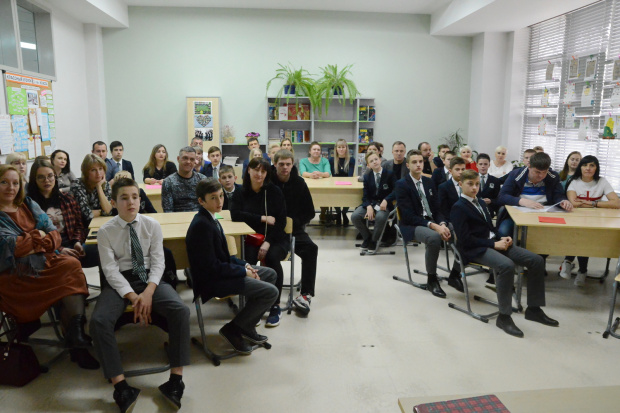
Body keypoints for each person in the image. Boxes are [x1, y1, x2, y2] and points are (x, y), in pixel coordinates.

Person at [91, 178, 190, 411]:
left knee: (180, 310)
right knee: (98, 320)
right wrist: (132, 296)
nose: (131, 202)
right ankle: (121, 387)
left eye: (135, 197)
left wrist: (148, 292)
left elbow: (158, 262)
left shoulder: (151, 225)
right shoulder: (105, 231)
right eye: (124, 198)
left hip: (149, 278)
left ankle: (175, 381)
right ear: (113, 202)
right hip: (120, 281)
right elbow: (110, 270)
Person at [0, 165, 97, 369]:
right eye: (4, 182)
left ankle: (76, 337)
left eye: (15, 183)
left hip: (44, 263)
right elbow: (11, 248)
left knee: (70, 267)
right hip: (16, 277)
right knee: (66, 278)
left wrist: (34, 241)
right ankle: (76, 344)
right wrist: (40, 236)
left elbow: (54, 235)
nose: (11, 187)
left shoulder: (27, 204)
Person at [451, 169, 559, 338]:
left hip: (493, 243)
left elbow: (489, 228)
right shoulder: (458, 207)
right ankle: (504, 316)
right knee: (506, 266)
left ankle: (534, 309)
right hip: (474, 249)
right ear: (460, 184)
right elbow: (465, 240)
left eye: (477, 184)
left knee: (536, 260)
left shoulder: (480, 202)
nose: (474, 188)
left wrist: (502, 238)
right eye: (470, 184)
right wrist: (493, 244)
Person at [187, 178, 278, 354]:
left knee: (270, 274)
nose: (219, 201)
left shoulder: (212, 217)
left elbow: (225, 257)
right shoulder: (201, 225)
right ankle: (233, 329)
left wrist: (246, 265)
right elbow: (212, 267)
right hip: (213, 280)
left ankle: (247, 325)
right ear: (201, 201)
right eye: (213, 198)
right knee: (271, 292)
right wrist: (243, 272)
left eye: (221, 196)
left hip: (221, 272)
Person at [230, 157, 289, 328]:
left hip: (275, 238)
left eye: (263, 171)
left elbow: (281, 222)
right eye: (256, 170)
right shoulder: (240, 192)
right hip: (251, 238)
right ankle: (253, 305)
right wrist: (261, 218)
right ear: (248, 170)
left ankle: (275, 305)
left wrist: (268, 242)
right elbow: (235, 214)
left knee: (271, 258)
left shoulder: (274, 191)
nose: (259, 174)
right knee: (248, 259)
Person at [395, 150, 460, 298]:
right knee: (434, 237)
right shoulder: (401, 184)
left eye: (421, 162)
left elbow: (437, 209)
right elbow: (408, 216)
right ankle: (432, 279)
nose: (418, 165)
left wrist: (442, 223)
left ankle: (455, 274)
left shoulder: (428, 182)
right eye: (414, 162)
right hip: (412, 225)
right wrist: (434, 226)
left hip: (433, 220)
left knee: (458, 229)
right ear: (408, 165)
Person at [28, 159, 101, 271]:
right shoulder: (30, 205)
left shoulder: (67, 198)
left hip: (72, 244)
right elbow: (35, 238)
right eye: (41, 177)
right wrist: (60, 249)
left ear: (55, 177)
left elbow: (78, 225)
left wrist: (77, 242)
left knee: (103, 250)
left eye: (50, 176)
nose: (46, 180)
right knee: (70, 263)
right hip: (50, 250)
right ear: (34, 180)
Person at [560, 155, 620, 286]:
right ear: (580, 167)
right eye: (585, 165)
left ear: (596, 168)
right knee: (578, 237)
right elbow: (573, 203)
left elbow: (617, 203)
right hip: (575, 219)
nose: (588, 168)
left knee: (585, 240)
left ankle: (572, 265)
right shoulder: (573, 181)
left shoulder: (602, 181)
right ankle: (578, 268)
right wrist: (600, 204)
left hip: (595, 220)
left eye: (592, 165)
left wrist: (592, 203)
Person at [272, 149, 318, 315]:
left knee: (311, 249)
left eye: (288, 164)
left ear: (292, 165)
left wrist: (293, 223)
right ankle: (270, 295)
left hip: (294, 229)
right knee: (269, 254)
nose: (285, 167)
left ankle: (305, 295)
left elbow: (310, 212)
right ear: (275, 164)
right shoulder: (268, 182)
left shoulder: (299, 183)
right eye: (281, 164)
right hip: (272, 231)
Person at [497, 152, 573, 237]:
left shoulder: (553, 176)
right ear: (529, 166)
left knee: (561, 232)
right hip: (519, 212)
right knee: (503, 232)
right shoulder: (515, 175)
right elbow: (502, 197)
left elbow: (558, 195)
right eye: (537, 172)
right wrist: (521, 201)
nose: (541, 176)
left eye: (544, 172)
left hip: (544, 213)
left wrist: (563, 201)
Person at [351, 151, 396, 254]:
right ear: (368, 165)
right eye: (371, 161)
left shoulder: (389, 174)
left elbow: (396, 190)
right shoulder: (367, 177)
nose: (374, 162)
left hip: (384, 205)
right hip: (371, 204)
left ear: (380, 160)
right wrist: (368, 206)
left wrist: (386, 200)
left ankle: (374, 241)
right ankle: (367, 237)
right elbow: (365, 195)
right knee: (355, 216)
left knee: (380, 217)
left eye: (376, 159)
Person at [70, 154, 113, 227]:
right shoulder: (77, 184)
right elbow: (86, 215)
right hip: (81, 227)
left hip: (101, 224)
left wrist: (99, 187)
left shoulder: (105, 184)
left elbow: (108, 211)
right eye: (93, 170)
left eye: (100, 169)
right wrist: (102, 211)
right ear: (86, 172)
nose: (98, 173)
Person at [161, 146, 206, 213]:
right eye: (185, 158)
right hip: (177, 218)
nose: (188, 161)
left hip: (199, 217)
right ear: (178, 159)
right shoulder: (168, 182)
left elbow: (207, 205)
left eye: (192, 159)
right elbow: (168, 210)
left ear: (195, 161)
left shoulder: (202, 180)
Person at [329, 139, 355, 226]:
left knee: (349, 195)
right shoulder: (331, 160)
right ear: (336, 149)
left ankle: (344, 212)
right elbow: (332, 175)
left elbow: (350, 175)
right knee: (333, 194)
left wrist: (344, 184)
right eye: (339, 147)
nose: (341, 149)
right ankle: (338, 213)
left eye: (343, 147)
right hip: (335, 184)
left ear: (346, 148)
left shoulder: (351, 160)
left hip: (347, 184)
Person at [438, 156, 466, 223]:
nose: (461, 172)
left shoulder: (469, 185)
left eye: (463, 169)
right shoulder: (444, 187)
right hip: (452, 220)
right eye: (457, 169)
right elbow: (444, 210)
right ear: (450, 171)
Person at [476, 153, 501, 217]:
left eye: (485, 164)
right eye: (480, 164)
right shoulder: (471, 179)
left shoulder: (495, 181)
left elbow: (498, 199)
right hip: (474, 209)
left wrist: (491, 201)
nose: (483, 166)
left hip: (489, 210)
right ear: (477, 165)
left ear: (489, 165)